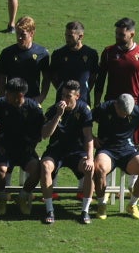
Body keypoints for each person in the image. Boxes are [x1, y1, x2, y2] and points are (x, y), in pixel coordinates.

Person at [34, 79, 94, 225]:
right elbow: (45, 134)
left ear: (77, 97)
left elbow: (88, 136)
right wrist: (58, 115)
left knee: (90, 169)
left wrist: (90, 158)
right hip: (56, 150)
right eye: (63, 95)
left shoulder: (84, 110)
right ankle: (49, 210)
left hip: (76, 151)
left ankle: (85, 211)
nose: (64, 99)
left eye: (68, 96)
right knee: (45, 166)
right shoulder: (54, 109)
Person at [92, 92, 139, 220]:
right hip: (107, 149)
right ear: (116, 106)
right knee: (99, 169)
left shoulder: (136, 111)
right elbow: (85, 121)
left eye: (128, 113)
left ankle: (132, 204)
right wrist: (92, 138)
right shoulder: (104, 108)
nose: (126, 115)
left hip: (127, 150)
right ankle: (101, 204)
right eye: (124, 113)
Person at [0, 76, 46, 218]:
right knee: (0, 171)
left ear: (19, 95)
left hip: (25, 150)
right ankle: (2, 197)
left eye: (8, 93)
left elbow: (40, 133)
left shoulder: (34, 108)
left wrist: (31, 145)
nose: (5, 95)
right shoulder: (0, 105)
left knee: (36, 169)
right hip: (4, 148)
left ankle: (23, 197)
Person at [97, 17, 139, 110]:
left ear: (132, 34)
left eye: (121, 35)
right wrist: (97, 104)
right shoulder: (108, 52)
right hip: (111, 105)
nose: (117, 37)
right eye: (116, 33)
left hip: (134, 106)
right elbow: (100, 80)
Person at [0, 17, 50, 101]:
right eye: (17, 33)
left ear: (31, 33)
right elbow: (1, 78)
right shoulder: (7, 53)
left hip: (33, 99)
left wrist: (42, 96)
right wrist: (2, 98)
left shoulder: (42, 53)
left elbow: (47, 78)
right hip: (11, 99)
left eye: (23, 34)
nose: (19, 37)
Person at [48, 22, 100, 105]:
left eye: (70, 36)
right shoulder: (58, 54)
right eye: (66, 35)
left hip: (83, 100)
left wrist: (85, 89)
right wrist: (61, 88)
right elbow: (52, 76)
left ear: (80, 36)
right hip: (62, 102)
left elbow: (93, 77)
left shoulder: (91, 54)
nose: (67, 39)